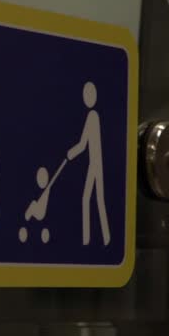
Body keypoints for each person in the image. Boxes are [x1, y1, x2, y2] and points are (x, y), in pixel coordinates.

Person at [67, 81, 110, 246]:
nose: (86, 98)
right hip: (94, 163)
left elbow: (83, 144)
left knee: (92, 198)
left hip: (96, 163)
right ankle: (99, 237)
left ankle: (91, 239)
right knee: (95, 198)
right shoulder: (92, 116)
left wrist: (72, 152)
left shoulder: (93, 117)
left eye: (88, 95)